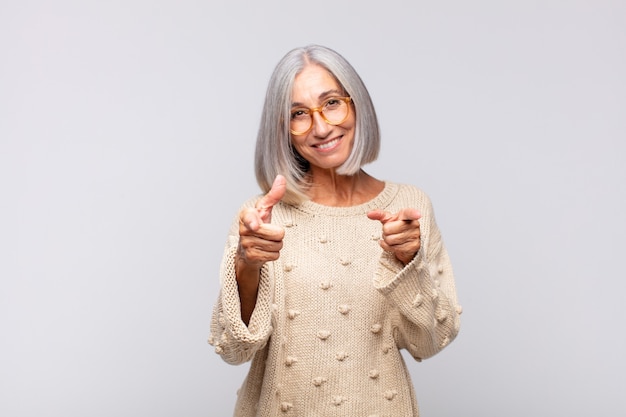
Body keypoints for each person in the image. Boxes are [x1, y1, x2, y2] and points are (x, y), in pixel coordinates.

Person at [209, 44, 462, 417]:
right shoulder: (260, 219)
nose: (322, 127)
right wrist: (247, 264)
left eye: (331, 103)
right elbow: (234, 349)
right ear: (284, 129)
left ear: (356, 103)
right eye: (298, 113)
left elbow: (430, 341)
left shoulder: (410, 206)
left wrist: (408, 261)